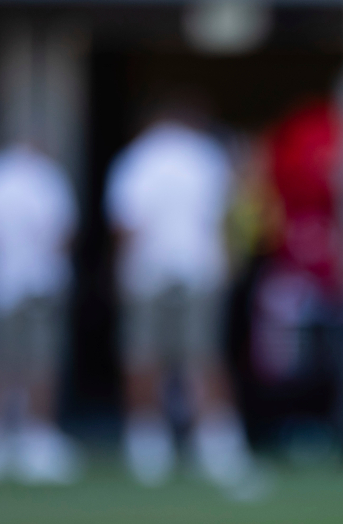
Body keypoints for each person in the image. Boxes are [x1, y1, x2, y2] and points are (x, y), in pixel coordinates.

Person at [106, 111, 255, 492]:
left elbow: (126, 224)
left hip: (148, 271)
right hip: (198, 269)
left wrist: (121, 272)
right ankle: (217, 446)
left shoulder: (137, 158)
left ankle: (147, 447)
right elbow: (229, 216)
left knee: (144, 356)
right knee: (202, 357)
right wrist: (229, 263)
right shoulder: (205, 155)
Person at [0, 142, 80, 484]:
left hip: (3, 284)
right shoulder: (47, 178)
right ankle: (32, 437)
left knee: (4, 361)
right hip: (34, 283)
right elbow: (62, 234)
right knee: (35, 362)